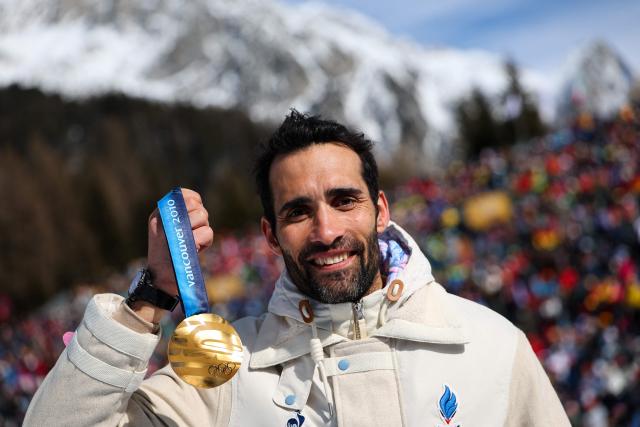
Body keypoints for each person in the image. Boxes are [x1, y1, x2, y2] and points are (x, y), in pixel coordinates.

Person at [25, 110, 570, 426]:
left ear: (380, 209)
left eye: (344, 200)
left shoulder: (490, 346)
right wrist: (153, 293)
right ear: (270, 234)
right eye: (298, 212)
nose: (326, 230)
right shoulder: (223, 374)